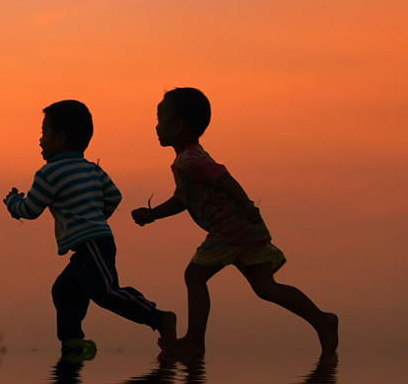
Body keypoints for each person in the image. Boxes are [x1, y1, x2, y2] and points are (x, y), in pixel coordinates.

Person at [130, 87, 338, 355]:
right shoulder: (189, 159)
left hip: (229, 232)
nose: (156, 126)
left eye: (161, 119)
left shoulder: (190, 161)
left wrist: (247, 204)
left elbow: (223, 178)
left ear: (178, 126)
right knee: (266, 288)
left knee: (194, 277)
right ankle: (323, 320)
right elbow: (183, 199)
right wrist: (153, 214)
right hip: (244, 231)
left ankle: (194, 341)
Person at [4, 99, 177, 359]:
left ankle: (159, 318)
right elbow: (114, 197)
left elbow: (30, 210)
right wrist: (97, 215)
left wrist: (12, 202)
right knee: (64, 290)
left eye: (44, 132)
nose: (40, 140)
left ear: (60, 138)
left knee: (104, 291)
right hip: (97, 241)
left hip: (92, 243)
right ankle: (72, 343)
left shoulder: (48, 174)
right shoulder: (92, 169)